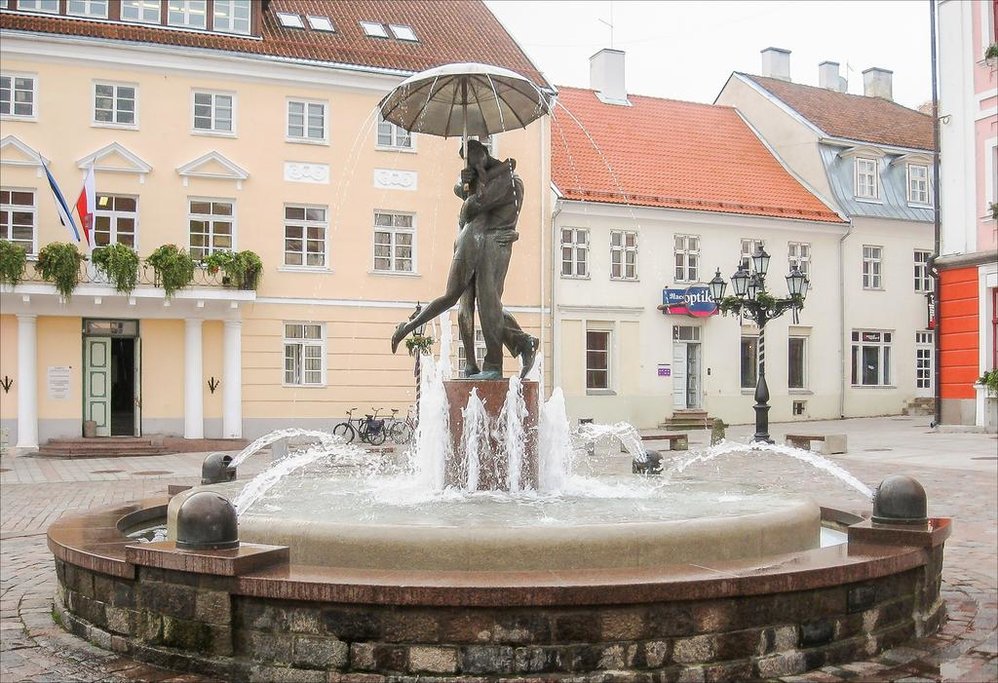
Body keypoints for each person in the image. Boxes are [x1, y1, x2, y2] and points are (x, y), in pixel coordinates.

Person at [390, 139, 538, 379]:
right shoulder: (492, 181)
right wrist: (465, 181)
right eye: (466, 160)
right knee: (473, 304)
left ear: (483, 153)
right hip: (476, 242)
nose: (469, 162)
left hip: (492, 244)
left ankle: (494, 364)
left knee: (488, 302)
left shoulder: (506, 180)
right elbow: (461, 192)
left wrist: (476, 177)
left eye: (472, 157)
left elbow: (473, 205)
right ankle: (517, 345)